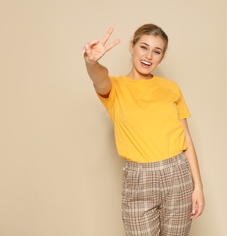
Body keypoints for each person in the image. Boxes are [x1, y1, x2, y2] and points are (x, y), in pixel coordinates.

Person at [83, 24, 205, 236]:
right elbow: (99, 77)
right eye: (143, 47)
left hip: (178, 175)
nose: (148, 55)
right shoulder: (116, 88)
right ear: (132, 47)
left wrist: (198, 187)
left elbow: (186, 137)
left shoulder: (171, 89)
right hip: (139, 179)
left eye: (156, 51)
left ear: (162, 57)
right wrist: (91, 62)